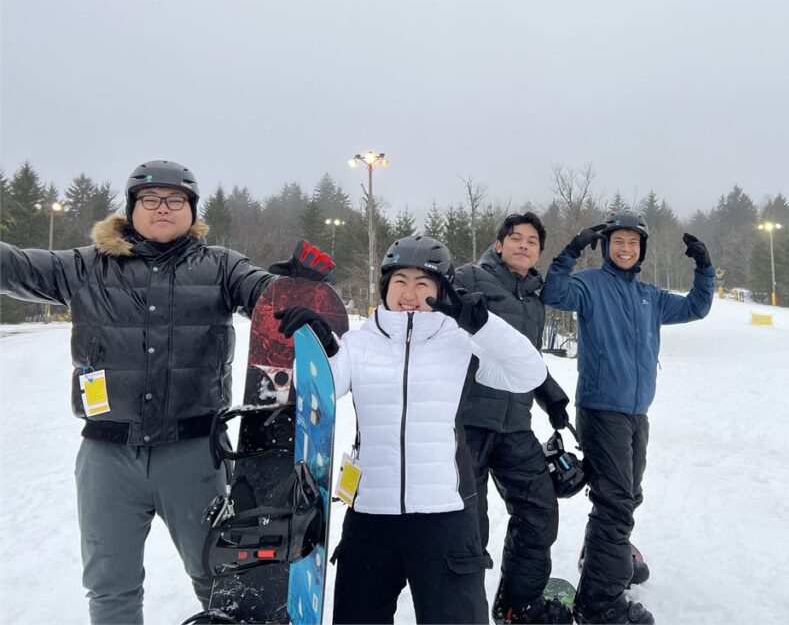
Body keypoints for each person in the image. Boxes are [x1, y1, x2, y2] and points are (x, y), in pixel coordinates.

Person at [0, 159, 326, 624]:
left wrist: (293, 292)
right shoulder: (85, 267)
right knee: (110, 588)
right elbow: (15, 267)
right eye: (150, 200)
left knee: (220, 579)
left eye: (176, 200)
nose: (163, 208)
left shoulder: (220, 266)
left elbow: (262, 293)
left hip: (192, 453)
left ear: (192, 211)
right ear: (130, 209)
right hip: (108, 457)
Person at [277, 234, 547, 625]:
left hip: (445, 518)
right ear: (385, 287)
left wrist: (484, 326)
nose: (410, 292)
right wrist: (319, 349)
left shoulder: (462, 343)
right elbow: (318, 397)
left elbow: (529, 373)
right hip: (370, 515)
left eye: (424, 283)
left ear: (443, 291)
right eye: (400, 281)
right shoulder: (358, 343)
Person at [541, 211, 715, 625]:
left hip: (637, 412)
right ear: (606, 247)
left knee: (627, 495)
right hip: (602, 409)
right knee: (615, 501)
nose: (625, 249)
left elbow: (696, 307)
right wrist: (570, 250)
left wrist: (704, 268)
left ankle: (605, 554)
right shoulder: (590, 285)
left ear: (642, 251)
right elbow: (553, 292)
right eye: (618, 242)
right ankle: (600, 602)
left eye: (633, 244)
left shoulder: (649, 296)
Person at [453, 212, 573, 624]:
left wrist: (548, 392)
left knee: (540, 512)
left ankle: (516, 606)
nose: (524, 245)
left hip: (514, 426)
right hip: (466, 424)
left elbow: (523, 357)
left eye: (533, 241)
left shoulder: (534, 301)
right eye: (516, 238)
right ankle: (461, 612)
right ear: (499, 244)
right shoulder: (468, 278)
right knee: (469, 527)